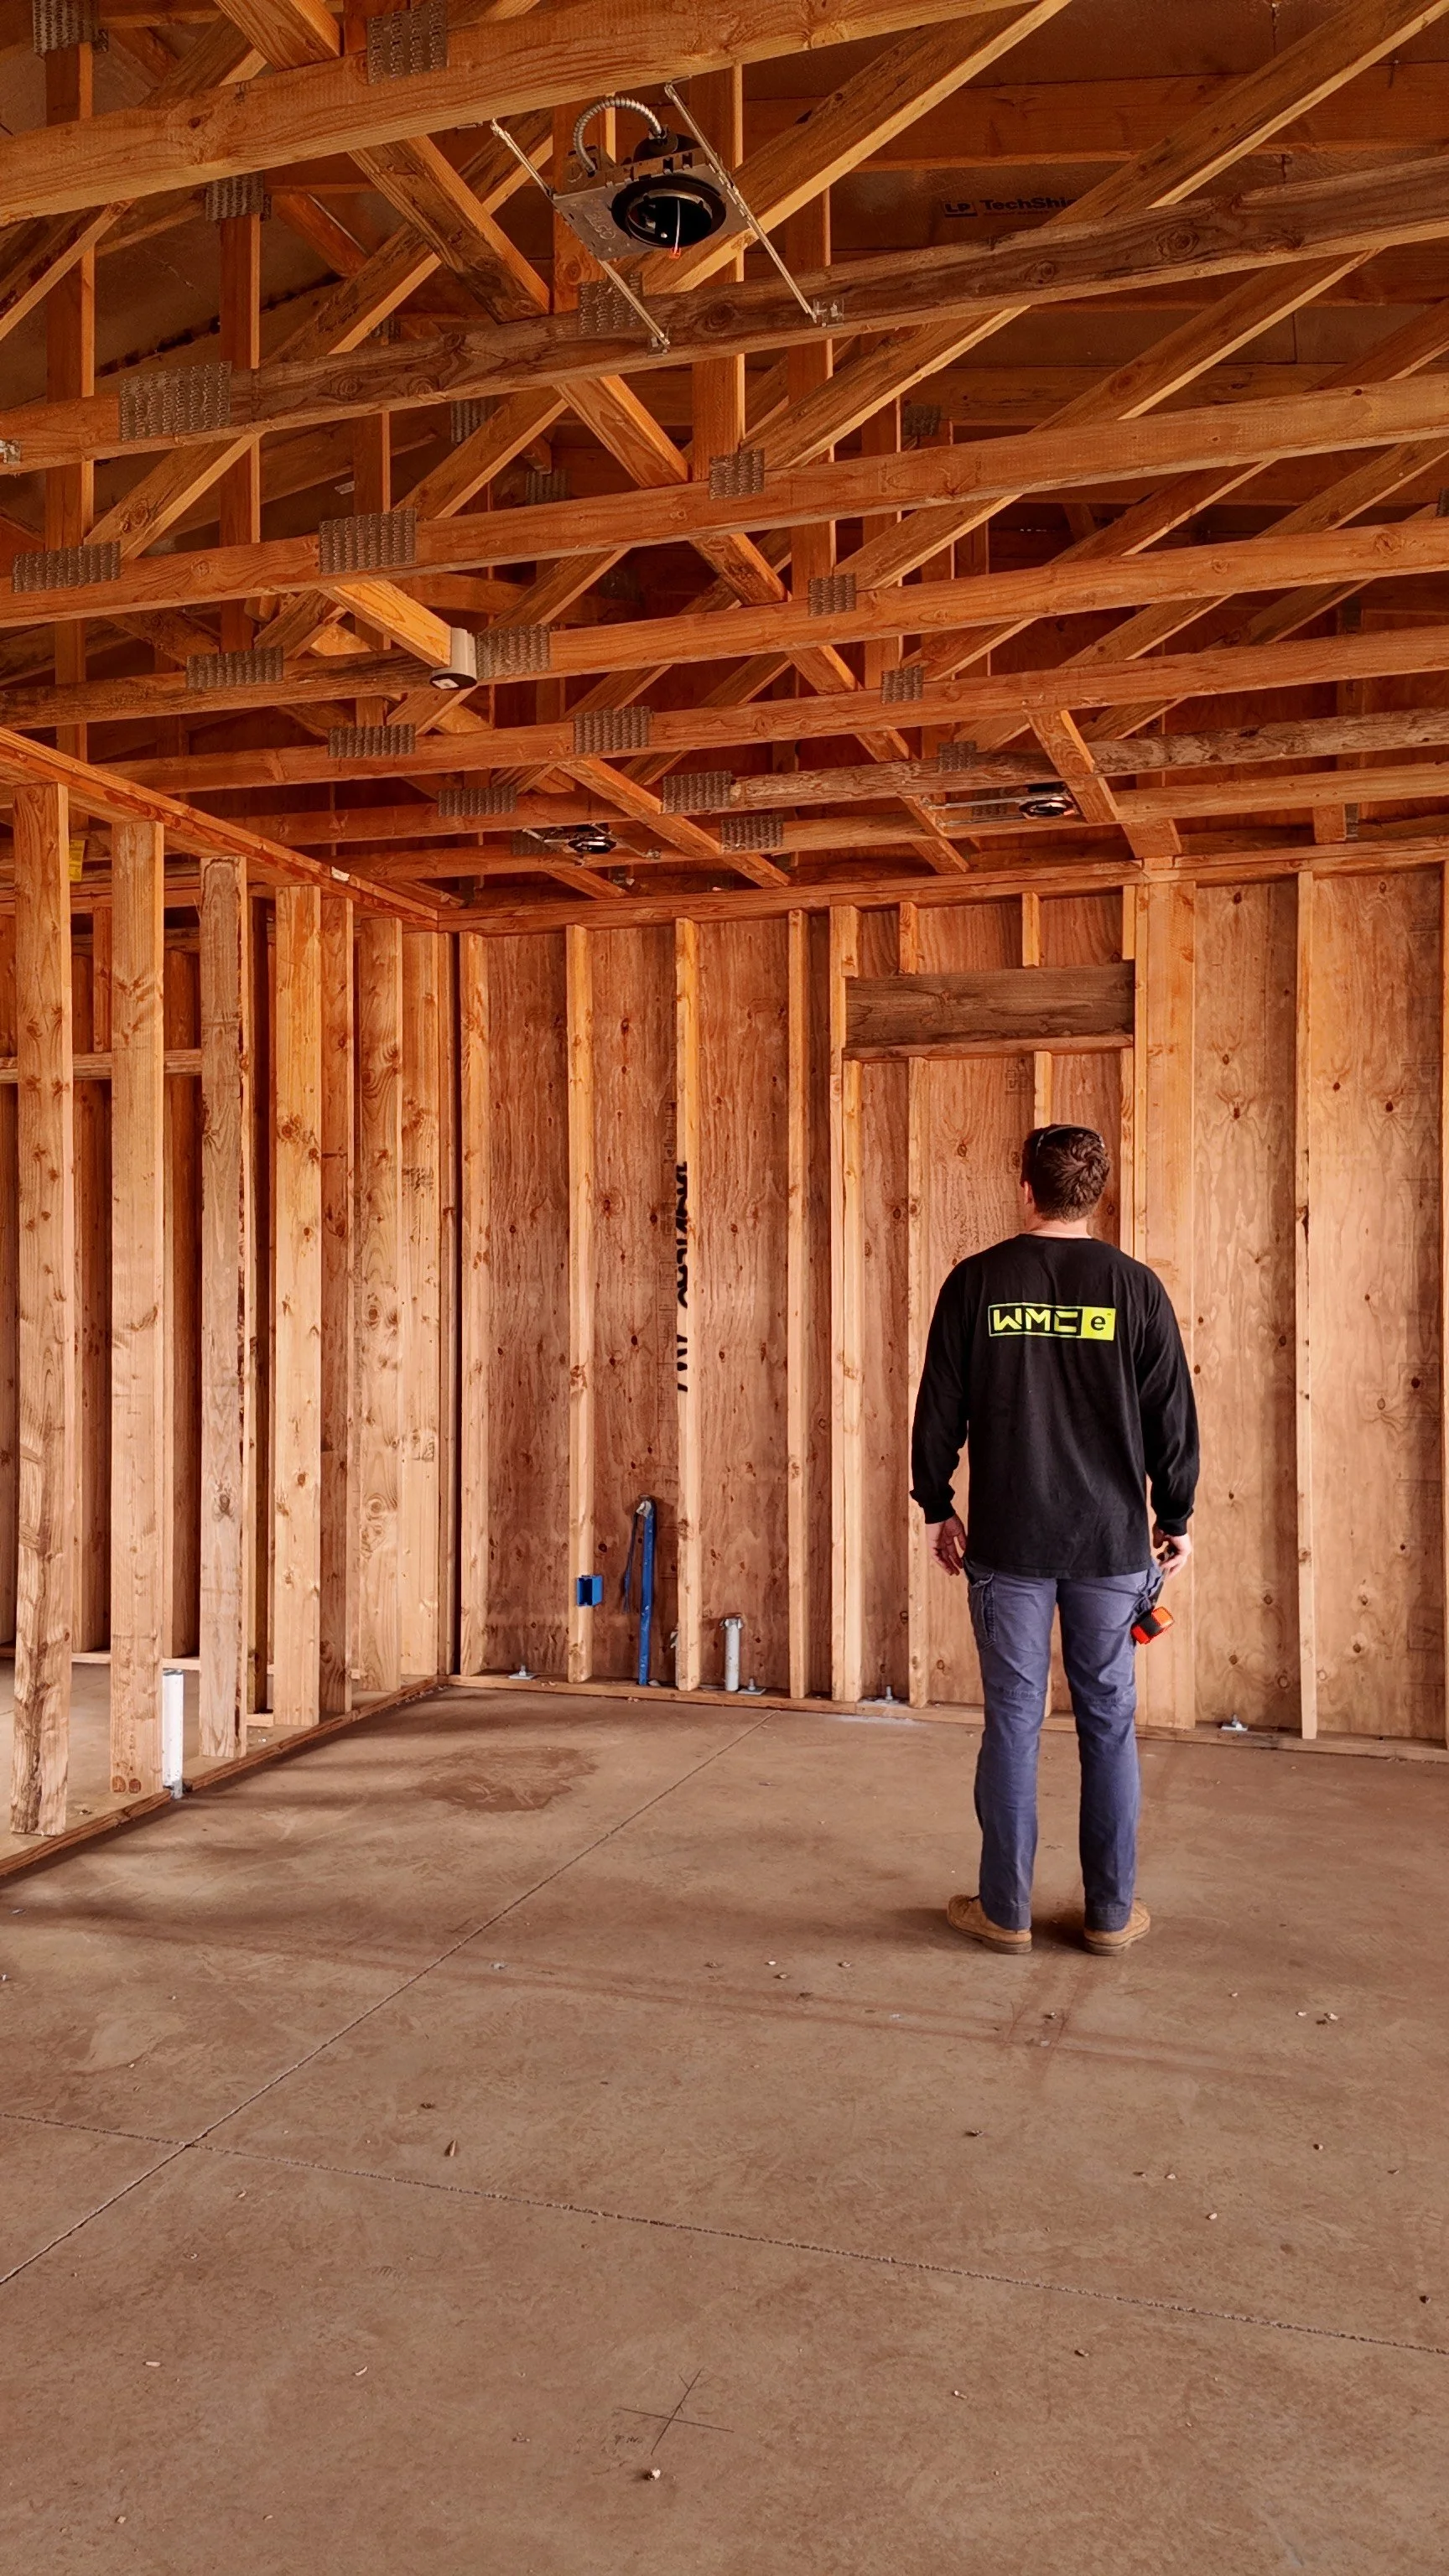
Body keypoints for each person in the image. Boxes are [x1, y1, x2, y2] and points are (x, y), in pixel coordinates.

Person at [911, 1123, 1198, 1956]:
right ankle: (1110, 1916)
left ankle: (1006, 1912)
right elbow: (1171, 1419)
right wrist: (1174, 1521)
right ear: (1093, 1193)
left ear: (1026, 1188)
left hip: (1009, 1543)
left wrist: (938, 1505)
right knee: (1109, 1723)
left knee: (1013, 1721)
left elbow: (939, 1411)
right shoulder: (1136, 1289)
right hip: (1112, 1548)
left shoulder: (977, 1283)